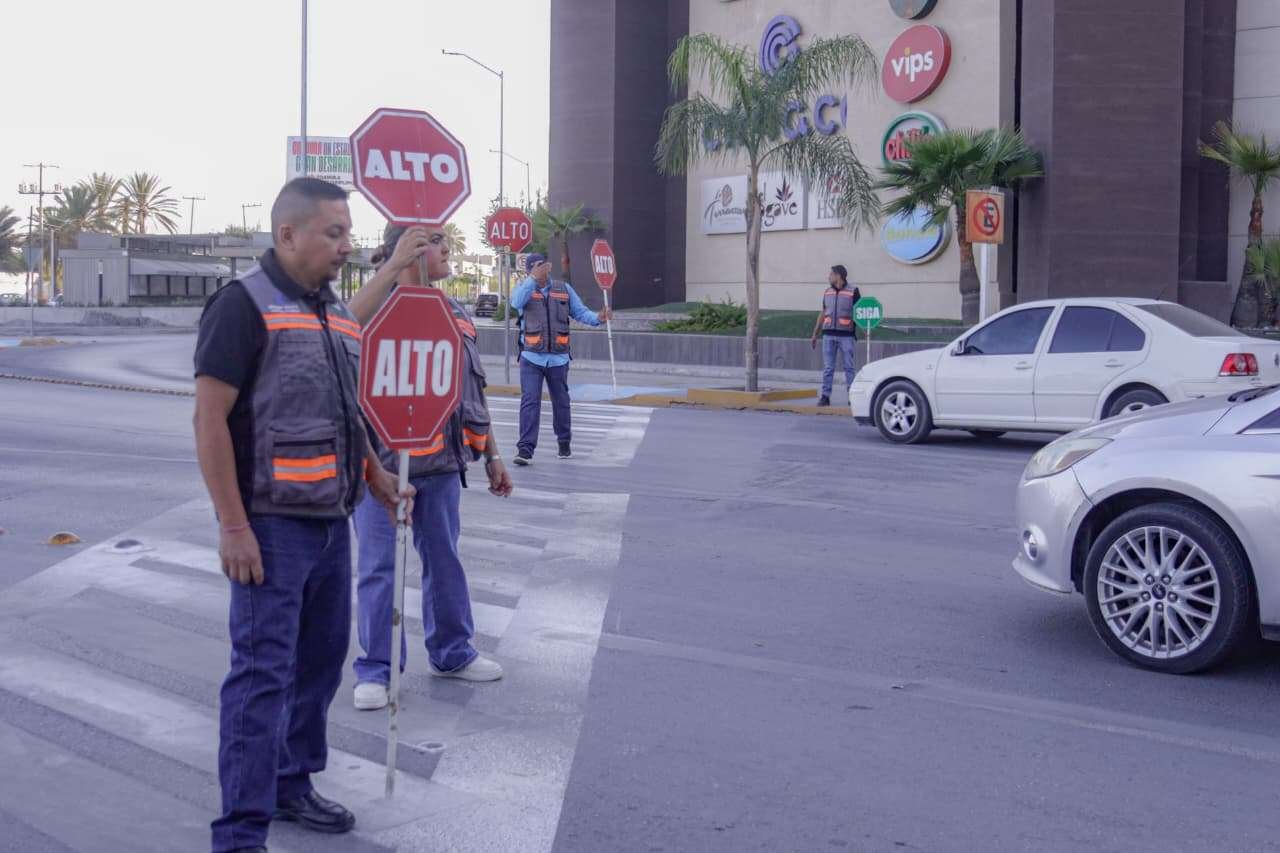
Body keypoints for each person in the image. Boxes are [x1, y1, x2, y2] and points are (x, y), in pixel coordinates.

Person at [194, 177, 413, 853]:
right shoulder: (242, 306)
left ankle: (292, 783)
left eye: (348, 233)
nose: (346, 245)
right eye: (333, 233)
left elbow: (343, 408)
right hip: (269, 527)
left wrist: (373, 472)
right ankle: (240, 832)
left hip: (329, 524)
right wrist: (234, 526)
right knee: (261, 675)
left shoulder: (330, 310)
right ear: (288, 234)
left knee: (319, 663)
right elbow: (209, 420)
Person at [345, 223, 515, 710]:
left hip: (440, 463)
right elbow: (338, 332)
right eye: (436, 241)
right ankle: (377, 670)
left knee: (444, 560)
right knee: (379, 568)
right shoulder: (373, 305)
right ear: (410, 247)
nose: (447, 250)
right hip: (379, 467)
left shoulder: (454, 312)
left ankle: (452, 652)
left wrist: (493, 455)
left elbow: (471, 391)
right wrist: (393, 267)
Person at [509, 253, 610, 464]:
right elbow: (516, 302)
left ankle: (564, 442)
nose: (543, 268)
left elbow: (580, 312)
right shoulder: (523, 288)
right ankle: (525, 450)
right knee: (530, 402)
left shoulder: (564, 289)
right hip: (531, 357)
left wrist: (598, 318)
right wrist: (532, 279)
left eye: (544, 264)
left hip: (559, 358)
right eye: (537, 266)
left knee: (561, 402)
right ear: (529, 269)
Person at [810, 264, 861, 407]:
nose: (829, 277)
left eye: (831, 274)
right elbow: (823, 313)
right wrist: (815, 334)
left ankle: (852, 397)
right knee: (828, 368)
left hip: (847, 336)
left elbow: (860, 313)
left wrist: (866, 330)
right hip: (828, 335)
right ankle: (825, 397)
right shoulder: (827, 292)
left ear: (838, 276)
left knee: (849, 367)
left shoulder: (853, 291)